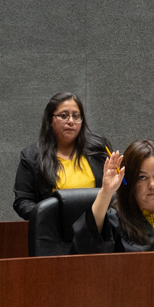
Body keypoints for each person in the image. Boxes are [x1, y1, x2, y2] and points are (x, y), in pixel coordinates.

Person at [12, 92, 114, 221]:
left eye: (76, 116)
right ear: (50, 120)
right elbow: (23, 202)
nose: (71, 121)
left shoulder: (98, 150)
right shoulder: (31, 156)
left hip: (96, 227)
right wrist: (49, 219)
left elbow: (116, 194)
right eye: (64, 116)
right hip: (52, 229)